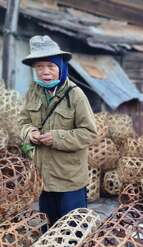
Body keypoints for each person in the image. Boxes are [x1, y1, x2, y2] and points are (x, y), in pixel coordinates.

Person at [19, 35, 97, 225]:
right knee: (49, 231)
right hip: (44, 180)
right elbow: (22, 122)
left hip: (70, 181)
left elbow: (89, 133)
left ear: (60, 67)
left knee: (72, 232)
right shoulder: (33, 91)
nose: (45, 72)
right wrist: (30, 133)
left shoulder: (75, 95)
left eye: (50, 66)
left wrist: (57, 138)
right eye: (39, 67)